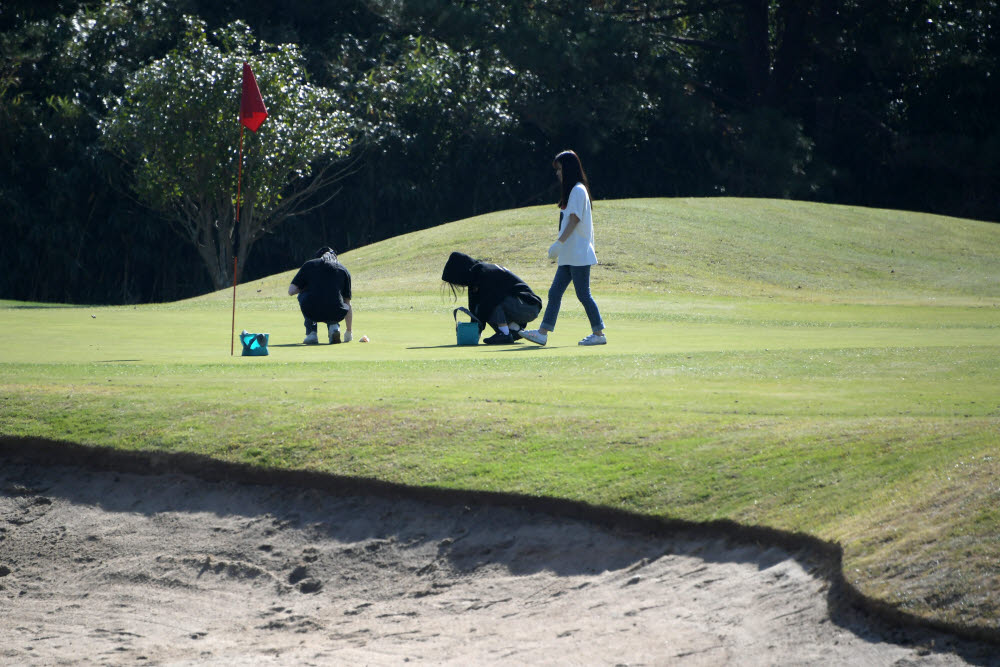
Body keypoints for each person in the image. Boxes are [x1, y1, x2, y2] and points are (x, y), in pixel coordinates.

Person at [520, 150, 606, 346]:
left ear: (567, 169)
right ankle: (543, 332)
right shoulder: (573, 191)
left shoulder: (577, 190)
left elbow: (575, 219)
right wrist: (561, 246)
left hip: (578, 253)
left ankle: (599, 334)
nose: (557, 174)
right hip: (569, 254)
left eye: (559, 169)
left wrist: (559, 243)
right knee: (555, 292)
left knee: (583, 294)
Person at [441, 251, 542, 345]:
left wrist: (480, 320)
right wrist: (475, 333)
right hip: (523, 306)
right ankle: (514, 330)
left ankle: (505, 334)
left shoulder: (482, 271)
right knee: (484, 305)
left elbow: (490, 300)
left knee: (489, 302)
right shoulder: (475, 278)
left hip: (528, 305)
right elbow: (475, 309)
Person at [288, 246, 353, 344]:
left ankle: (311, 333)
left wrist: (307, 287)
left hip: (312, 312)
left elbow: (291, 291)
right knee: (336, 297)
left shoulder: (309, 265)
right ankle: (334, 328)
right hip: (337, 312)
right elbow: (348, 303)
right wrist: (348, 332)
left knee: (302, 295)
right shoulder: (343, 270)